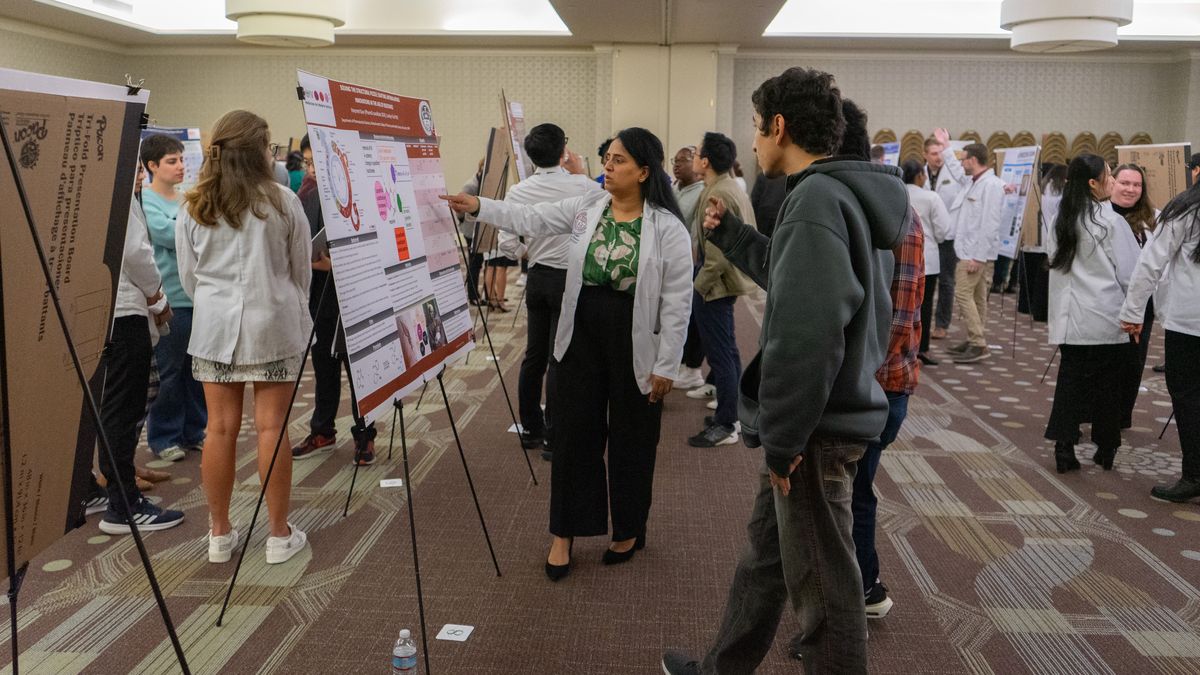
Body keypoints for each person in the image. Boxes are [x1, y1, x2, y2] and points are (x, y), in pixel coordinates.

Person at [661, 67, 907, 675]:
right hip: (819, 417)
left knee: (825, 590)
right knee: (765, 560)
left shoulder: (817, 199)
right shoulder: (842, 194)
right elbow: (801, 282)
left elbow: (807, 335)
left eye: (755, 126)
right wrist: (737, 237)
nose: (752, 142)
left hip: (814, 427)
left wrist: (784, 439)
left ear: (779, 126)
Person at [441, 127, 692, 582]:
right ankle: (564, 533)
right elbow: (530, 217)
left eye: (618, 160)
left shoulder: (666, 227)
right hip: (581, 333)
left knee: (633, 438)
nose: (607, 166)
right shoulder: (587, 207)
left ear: (643, 172)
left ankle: (628, 528)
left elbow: (678, 301)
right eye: (608, 158)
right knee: (574, 432)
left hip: (636, 338)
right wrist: (479, 206)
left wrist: (667, 365)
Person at [177, 110, 311, 565]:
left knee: (218, 429)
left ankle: (219, 533)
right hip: (272, 326)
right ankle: (278, 535)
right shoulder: (282, 201)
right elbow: (301, 270)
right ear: (260, 151)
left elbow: (189, 277)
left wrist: (216, 304)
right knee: (272, 428)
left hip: (214, 331)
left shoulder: (194, 203)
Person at [496, 123, 603, 457]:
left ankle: (530, 428)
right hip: (570, 279)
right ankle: (554, 436)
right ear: (563, 151)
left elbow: (507, 244)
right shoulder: (584, 186)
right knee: (561, 358)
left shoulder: (518, 191)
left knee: (534, 355)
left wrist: (530, 253)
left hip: (538, 277)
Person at [88, 170, 184, 534]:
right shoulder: (113, 184)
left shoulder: (90, 180)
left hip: (98, 304)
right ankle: (123, 505)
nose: (141, 172)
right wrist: (157, 295)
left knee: (104, 407)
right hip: (123, 309)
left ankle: (92, 490)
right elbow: (134, 251)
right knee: (121, 408)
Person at [1044, 154, 1140, 474]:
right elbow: (1129, 273)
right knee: (1107, 386)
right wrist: (1135, 312)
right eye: (1108, 175)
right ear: (1092, 183)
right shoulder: (1111, 221)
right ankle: (1106, 447)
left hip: (1070, 317)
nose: (1112, 181)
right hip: (1104, 316)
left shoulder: (1060, 219)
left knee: (1069, 383)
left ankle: (1064, 447)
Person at [290, 133, 379, 466]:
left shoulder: (357, 193)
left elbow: (373, 244)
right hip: (317, 295)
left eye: (317, 162)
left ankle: (365, 435)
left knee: (359, 371)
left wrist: (336, 265)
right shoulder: (304, 195)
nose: (312, 169)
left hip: (354, 296)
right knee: (323, 367)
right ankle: (322, 430)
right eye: (307, 162)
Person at [1120, 180, 1200, 503]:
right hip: (1189, 319)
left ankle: (1195, 475)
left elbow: (1151, 262)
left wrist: (1132, 310)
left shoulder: (1184, 209)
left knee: (1188, 397)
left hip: (1189, 321)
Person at [142, 134, 208, 463]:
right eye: (172, 161)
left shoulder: (185, 198)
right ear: (152, 166)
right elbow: (169, 235)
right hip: (169, 299)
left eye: (181, 159)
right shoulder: (146, 200)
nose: (181, 166)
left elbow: (201, 232)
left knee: (196, 370)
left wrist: (185, 227)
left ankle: (194, 431)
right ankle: (164, 436)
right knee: (169, 373)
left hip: (196, 296)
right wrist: (188, 227)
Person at [687, 132, 755, 447]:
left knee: (721, 354)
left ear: (705, 162)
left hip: (715, 284)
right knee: (726, 350)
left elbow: (716, 257)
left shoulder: (719, 194)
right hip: (722, 280)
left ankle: (727, 424)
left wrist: (698, 287)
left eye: (696, 154)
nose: (693, 158)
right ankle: (730, 412)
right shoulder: (725, 186)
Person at [933, 129, 1004, 363]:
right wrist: (945, 146)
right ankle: (975, 339)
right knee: (978, 297)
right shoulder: (973, 182)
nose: (961, 163)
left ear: (973, 160)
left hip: (975, 253)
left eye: (964, 159)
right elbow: (955, 170)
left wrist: (978, 257)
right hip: (969, 250)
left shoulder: (991, 185)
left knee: (963, 293)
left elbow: (990, 224)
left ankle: (978, 342)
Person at [1109, 163, 1159, 429]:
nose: (1130, 189)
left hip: (1142, 304)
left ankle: (1120, 416)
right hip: (1106, 301)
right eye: (1125, 183)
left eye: (1137, 185)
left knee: (1133, 362)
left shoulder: (1153, 219)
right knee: (1104, 362)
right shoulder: (1099, 215)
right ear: (1112, 183)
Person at [903, 159, 952, 365]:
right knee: (923, 304)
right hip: (927, 258)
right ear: (920, 176)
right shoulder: (931, 197)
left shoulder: (897, 192)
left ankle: (899, 347)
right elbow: (943, 229)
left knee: (899, 301)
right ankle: (921, 348)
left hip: (899, 255)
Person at [672, 145, 707, 391]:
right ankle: (682, 363)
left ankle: (693, 368)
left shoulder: (701, 193)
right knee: (676, 315)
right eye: (674, 160)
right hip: (671, 262)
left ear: (695, 164)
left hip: (691, 262)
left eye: (682, 160)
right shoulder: (674, 189)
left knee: (693, 316)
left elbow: (697, 234)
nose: (676, 165)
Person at [924, 136, 964, 340]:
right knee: (924, 280)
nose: (938, 157)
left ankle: (941, 324)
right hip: (926, 236)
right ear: (925, 155)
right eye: (933, 154)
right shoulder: (919, 174)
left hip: (947, 236)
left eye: (940, 153)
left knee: (946, 281)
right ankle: (921, 321)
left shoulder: (953, 174)